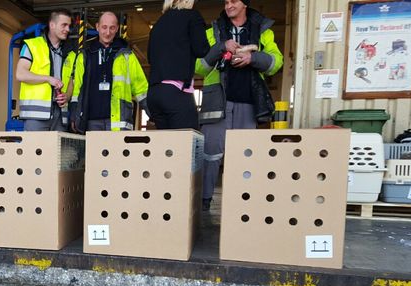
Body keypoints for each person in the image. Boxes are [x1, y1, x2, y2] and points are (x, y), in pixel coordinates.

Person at [195, 0, 283, 210]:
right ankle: (203, 203)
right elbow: (199, 67)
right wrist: (220, 48)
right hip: (217, 103)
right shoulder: (212, 31)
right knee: (209, 154)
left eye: (233, 1)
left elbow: (276, 63)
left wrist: (253, 58)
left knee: (245, 157)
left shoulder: (263, 31)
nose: (228, 5)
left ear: (245, 4)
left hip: (248, 103)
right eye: (226, 2)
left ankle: (241, 206)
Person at [68, 11, 149, 132]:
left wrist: (153, 113)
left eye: (112, 28)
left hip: (119, 121)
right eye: (104, 27)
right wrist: (74, 114)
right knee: (93, 152)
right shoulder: (85, 55)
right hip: (91, 121)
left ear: (117, 29)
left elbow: (141, 87)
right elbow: (76, 89)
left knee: (118, 151)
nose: (108, 32)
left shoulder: (127, 55)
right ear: (97, 27)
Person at [147, 0, 209, 130]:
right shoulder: (192, 16)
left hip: (154, 93)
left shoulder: (158, 23)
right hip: (176, 91)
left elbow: (149, 57)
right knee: (187, 144)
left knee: (166, 146)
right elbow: (201, 49)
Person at [16, 10, 72, 131]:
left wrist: (67, 96)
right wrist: (47, 78)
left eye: (69, 26)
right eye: (64, 25)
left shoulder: (70, 52)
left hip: (61, 114)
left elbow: (71, 80)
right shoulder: (32, 45)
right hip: (36, 115)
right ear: (52, 25)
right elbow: (20, 74)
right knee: (34, 150)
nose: (68, 29)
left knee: (58, 150)